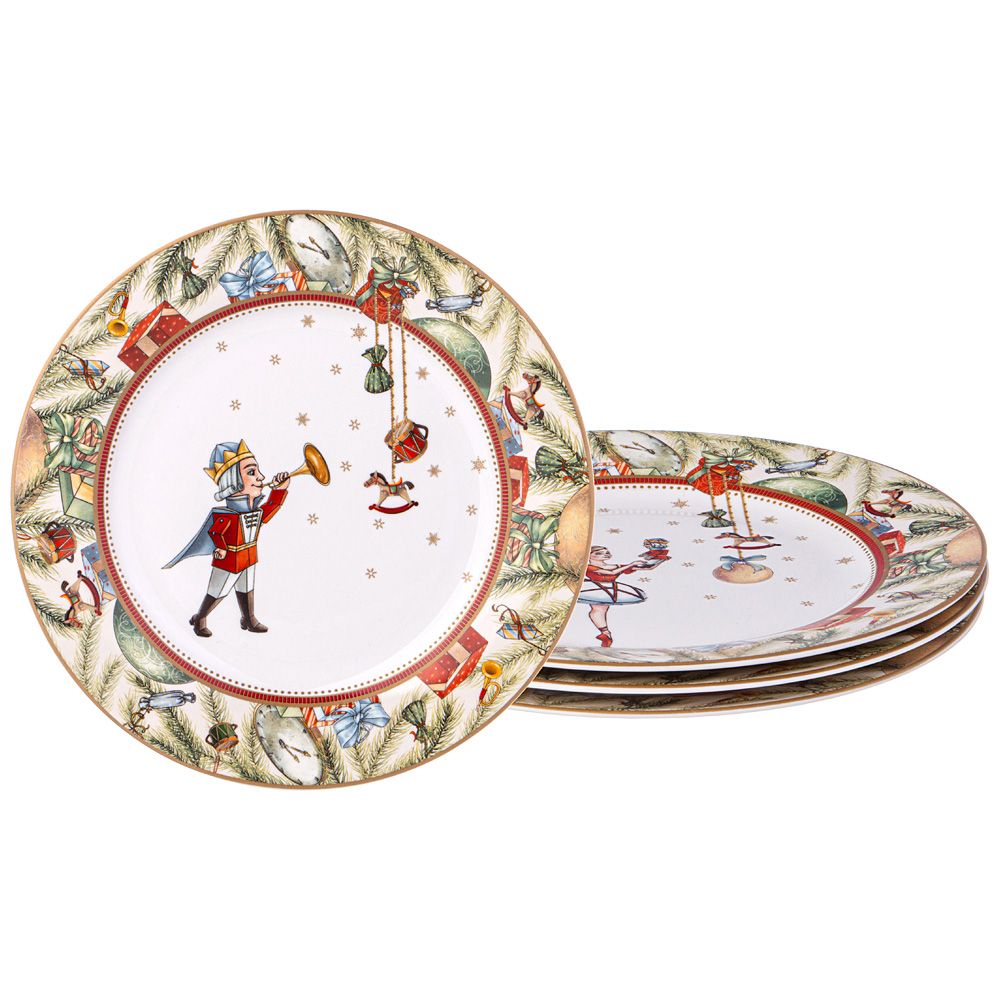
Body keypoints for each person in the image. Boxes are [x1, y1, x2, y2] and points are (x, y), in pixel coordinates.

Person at [164, 440, 290, 637]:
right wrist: (221, 547)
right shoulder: (227, 514)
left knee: (247, 588)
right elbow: (216, 531)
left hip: (249, 556)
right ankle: (200, 618)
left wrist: (280, 490)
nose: (261, 477)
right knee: (218, 590)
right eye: (252, 472)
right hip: (229, 560)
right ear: (234, 483)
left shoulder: (253, 511)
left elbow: (269, 510)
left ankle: (248, 619)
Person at [578, 545, 655, 647]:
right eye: (598, 553)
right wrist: (631, 564)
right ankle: (605, 633)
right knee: (598, 609)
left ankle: (606, 634)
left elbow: (648, 568)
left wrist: (658, 560)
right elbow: (611, 572)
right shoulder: (588, 567)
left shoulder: (616, 566)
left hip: (611, 589)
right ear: (589, 555)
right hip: (595, 588)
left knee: (601, 609)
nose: (604, 555)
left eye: (606, 553)